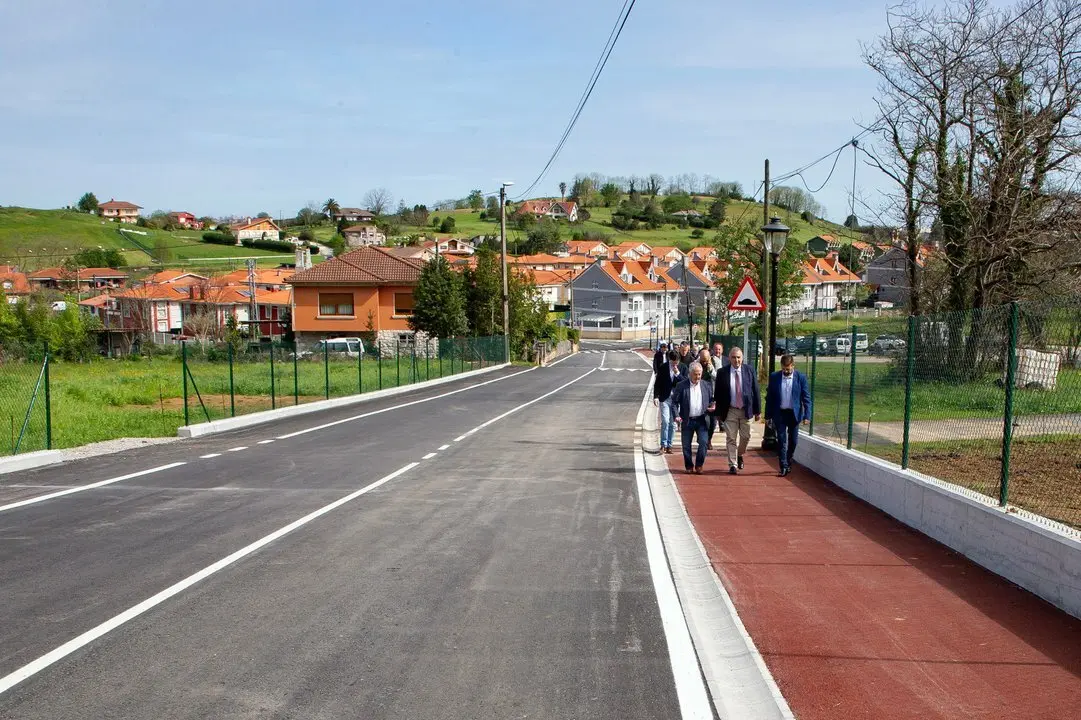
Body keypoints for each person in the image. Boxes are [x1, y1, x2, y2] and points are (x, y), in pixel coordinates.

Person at [713, 346, 760, 474]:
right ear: (729, 358)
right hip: (730, 410)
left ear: (742, 358)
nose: (736, 360)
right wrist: (718, 412)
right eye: (733, 357)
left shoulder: (749, 370)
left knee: (746, 437)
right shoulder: (722, 372)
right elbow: (718, 393)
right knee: (731, 438)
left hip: (746, 410)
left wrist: (758, 411)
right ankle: (732, 464)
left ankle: (739, 454)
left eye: (738, 357)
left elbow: (755, 390)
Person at [766, 354, 812, 476]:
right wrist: (768, 416)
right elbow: (769, 397)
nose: (786, 371)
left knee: (794, 441)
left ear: (793, 366)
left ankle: (788, 458)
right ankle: (783, 466)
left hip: (794, 414)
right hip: (779, 413)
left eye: (788, 369)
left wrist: (807, 415)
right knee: (781, 440)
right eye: (784, 369)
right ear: (781, 366)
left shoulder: (800, 378)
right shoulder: (775, 377)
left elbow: (806, 397)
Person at [671, 362, 715, 474]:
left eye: (699, 374)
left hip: (702, 419)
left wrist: (712, 406)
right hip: (687, 419)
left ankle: (699, 464)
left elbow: (711, 401)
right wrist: (676, 416)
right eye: (695, 374)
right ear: (690, 374)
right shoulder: (681, 385)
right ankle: (689, 466)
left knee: (704, 443)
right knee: (686, 445)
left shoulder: (706, 385)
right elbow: (674, 403)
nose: (697, 377)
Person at [653, 350, 686, 454]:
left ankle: (670, 445)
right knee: (665, 421)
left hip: (676, 400)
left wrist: (678, 374)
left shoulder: (683, 367)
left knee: (673, 423)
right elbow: (657, 382)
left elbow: (685, 382)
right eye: (672, 363)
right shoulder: (663, 367)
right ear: (669, 360)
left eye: (676, 363)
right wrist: (656, 396)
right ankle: (663, 444)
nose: (674, 365)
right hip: (665, 397)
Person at [697, 348, 719, 449]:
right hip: (700, 396)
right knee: (705, 421)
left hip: (712, 396)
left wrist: (711, 370)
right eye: (702, 360)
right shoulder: (696, 364)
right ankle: (703, 439)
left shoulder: (715, 363)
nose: (704, 362)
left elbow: (718, 377)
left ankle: (708, 439)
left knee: (713, 422)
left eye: (706, 360)